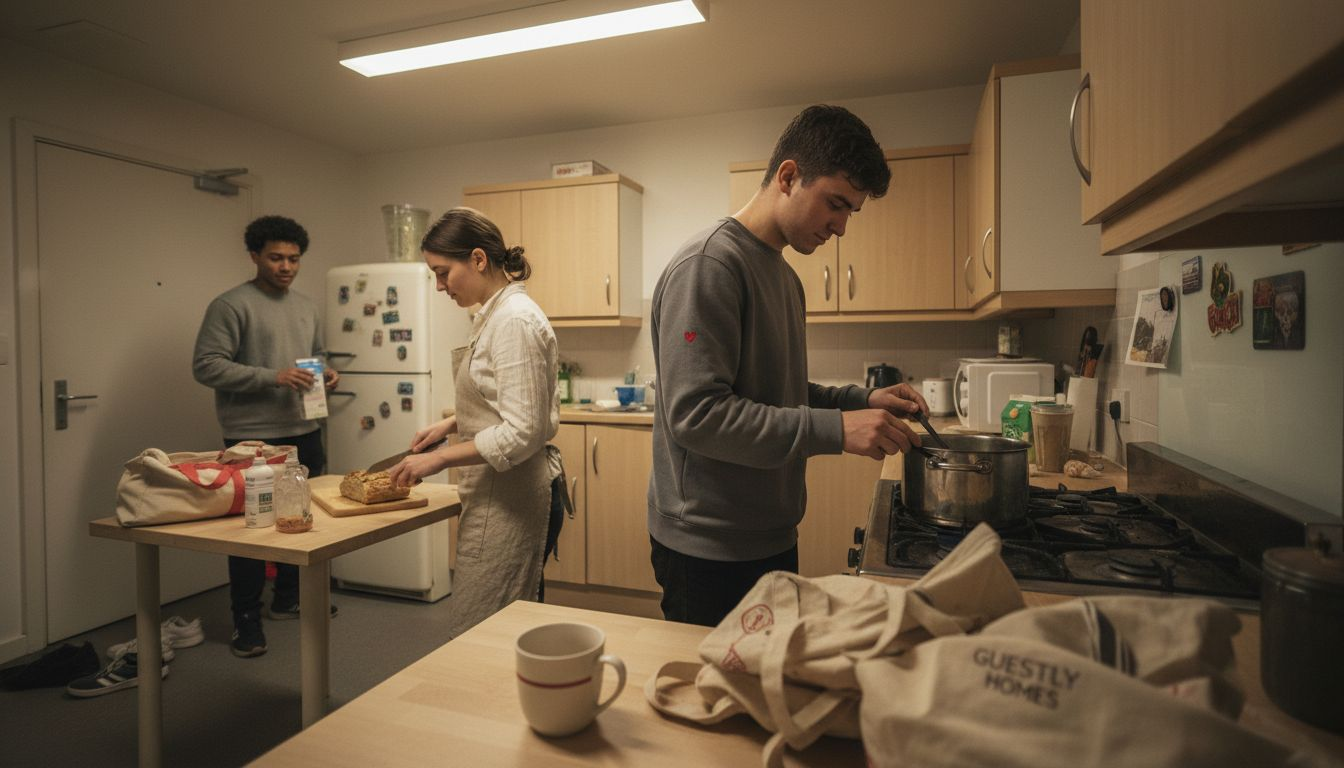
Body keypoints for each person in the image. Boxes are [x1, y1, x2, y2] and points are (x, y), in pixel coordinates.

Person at [648, 105, 932, 627]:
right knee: (714, 700)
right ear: (788, 176)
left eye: (852, 213)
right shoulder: (709, 266)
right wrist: (837, 429)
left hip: (769, 536)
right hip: (709, 549)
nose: (842, 228)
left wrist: (860, 400)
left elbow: (773, 391)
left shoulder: (784, 276)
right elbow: (699, 415)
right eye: (836, 204)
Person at [386, 207, 560, 638]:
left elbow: (523, 430)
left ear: (479, 260)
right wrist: (450, 426)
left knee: (484, 629)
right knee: (496, 624)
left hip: (510, 499)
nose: (440, 286)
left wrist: (441, 460)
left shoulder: (514, 321)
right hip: (494, 493)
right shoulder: (495, 313)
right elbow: (497, 397)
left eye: (443, 273)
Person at [192, 215, 339, 658]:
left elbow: (314, 356)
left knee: (304, 519)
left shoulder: (306, 305)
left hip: (304, 430)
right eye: (276, 257)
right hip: (251, 438)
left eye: (294, 259)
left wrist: (324, 372)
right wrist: (271, 376)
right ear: (255, 256)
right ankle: (246, 620)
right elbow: (206, 365)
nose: (286, 266)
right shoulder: (230, 305)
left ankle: (289, 599)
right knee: (251, 532)